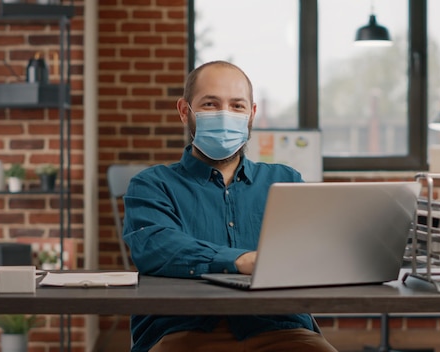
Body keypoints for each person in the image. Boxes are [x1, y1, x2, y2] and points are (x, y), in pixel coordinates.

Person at [123, 60, 338, 352]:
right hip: (183, 333)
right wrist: (239, 260)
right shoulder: (151, 185)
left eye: (237, 106)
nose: (225, 115)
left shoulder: (286, 181)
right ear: (185, 111)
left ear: (252, 113)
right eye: (210, 104)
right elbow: (156, 247)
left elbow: (313, 252)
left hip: (281, 330)